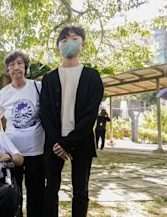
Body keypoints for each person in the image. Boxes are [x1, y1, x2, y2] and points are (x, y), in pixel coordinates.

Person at [40, 25, 103, 217]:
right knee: (50, 189)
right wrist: (57, 142)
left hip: (82, 141)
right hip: (54, 143)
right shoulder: (49, 78)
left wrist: (68, 142)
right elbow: (45, 112)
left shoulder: (92, 76)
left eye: (74, 39)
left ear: (83, 44)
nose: (69, 43)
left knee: (81, 191)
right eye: (64, 40)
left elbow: (90, 114)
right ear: (59, 47)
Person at [0, 50, 45, 217]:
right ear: (8, 70)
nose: (16, 67)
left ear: (26, 67)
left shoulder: (37, 87)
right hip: (13, 153)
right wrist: (3, 138)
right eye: (12, 65)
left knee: (36, 194)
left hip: (36, 150)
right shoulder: (4, 93)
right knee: (15, 193)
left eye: (20, 63)